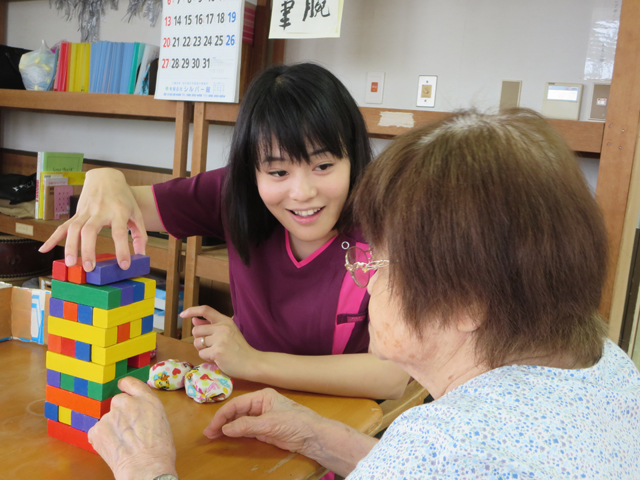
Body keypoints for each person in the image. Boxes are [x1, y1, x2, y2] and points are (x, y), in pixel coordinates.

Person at [88, 108, 640, 479]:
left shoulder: (438, 446)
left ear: (467, 301)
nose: (366, 278)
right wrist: (317, 435)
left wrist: (151, 471)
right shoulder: (610, 367)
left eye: (382, 260)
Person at [39, 62, 409, 400]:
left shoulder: (383, 225)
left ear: (353, 158)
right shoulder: (234, 192)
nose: (303, 192)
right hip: (241, 405)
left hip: (338, 425)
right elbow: (128, 205)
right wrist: (106, 177)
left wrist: (251, 361)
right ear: (253, 171)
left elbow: (390, 375)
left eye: (323, 165)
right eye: (278, 172)